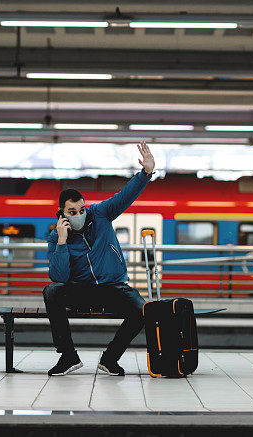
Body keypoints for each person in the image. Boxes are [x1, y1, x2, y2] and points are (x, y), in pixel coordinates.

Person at [44, 141, 155, 376]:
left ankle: (110, 359)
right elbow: (59, 276)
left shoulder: (101, 213)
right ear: (62, 214)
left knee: (142, 310)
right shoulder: (56, 237)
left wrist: (145, 172)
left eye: (82, 210)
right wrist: (62, 242)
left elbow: (126, 195)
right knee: (51, 291)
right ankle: (68, 357)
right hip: (81, 291)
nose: (79, 215)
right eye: (72, 213)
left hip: (113, 288)